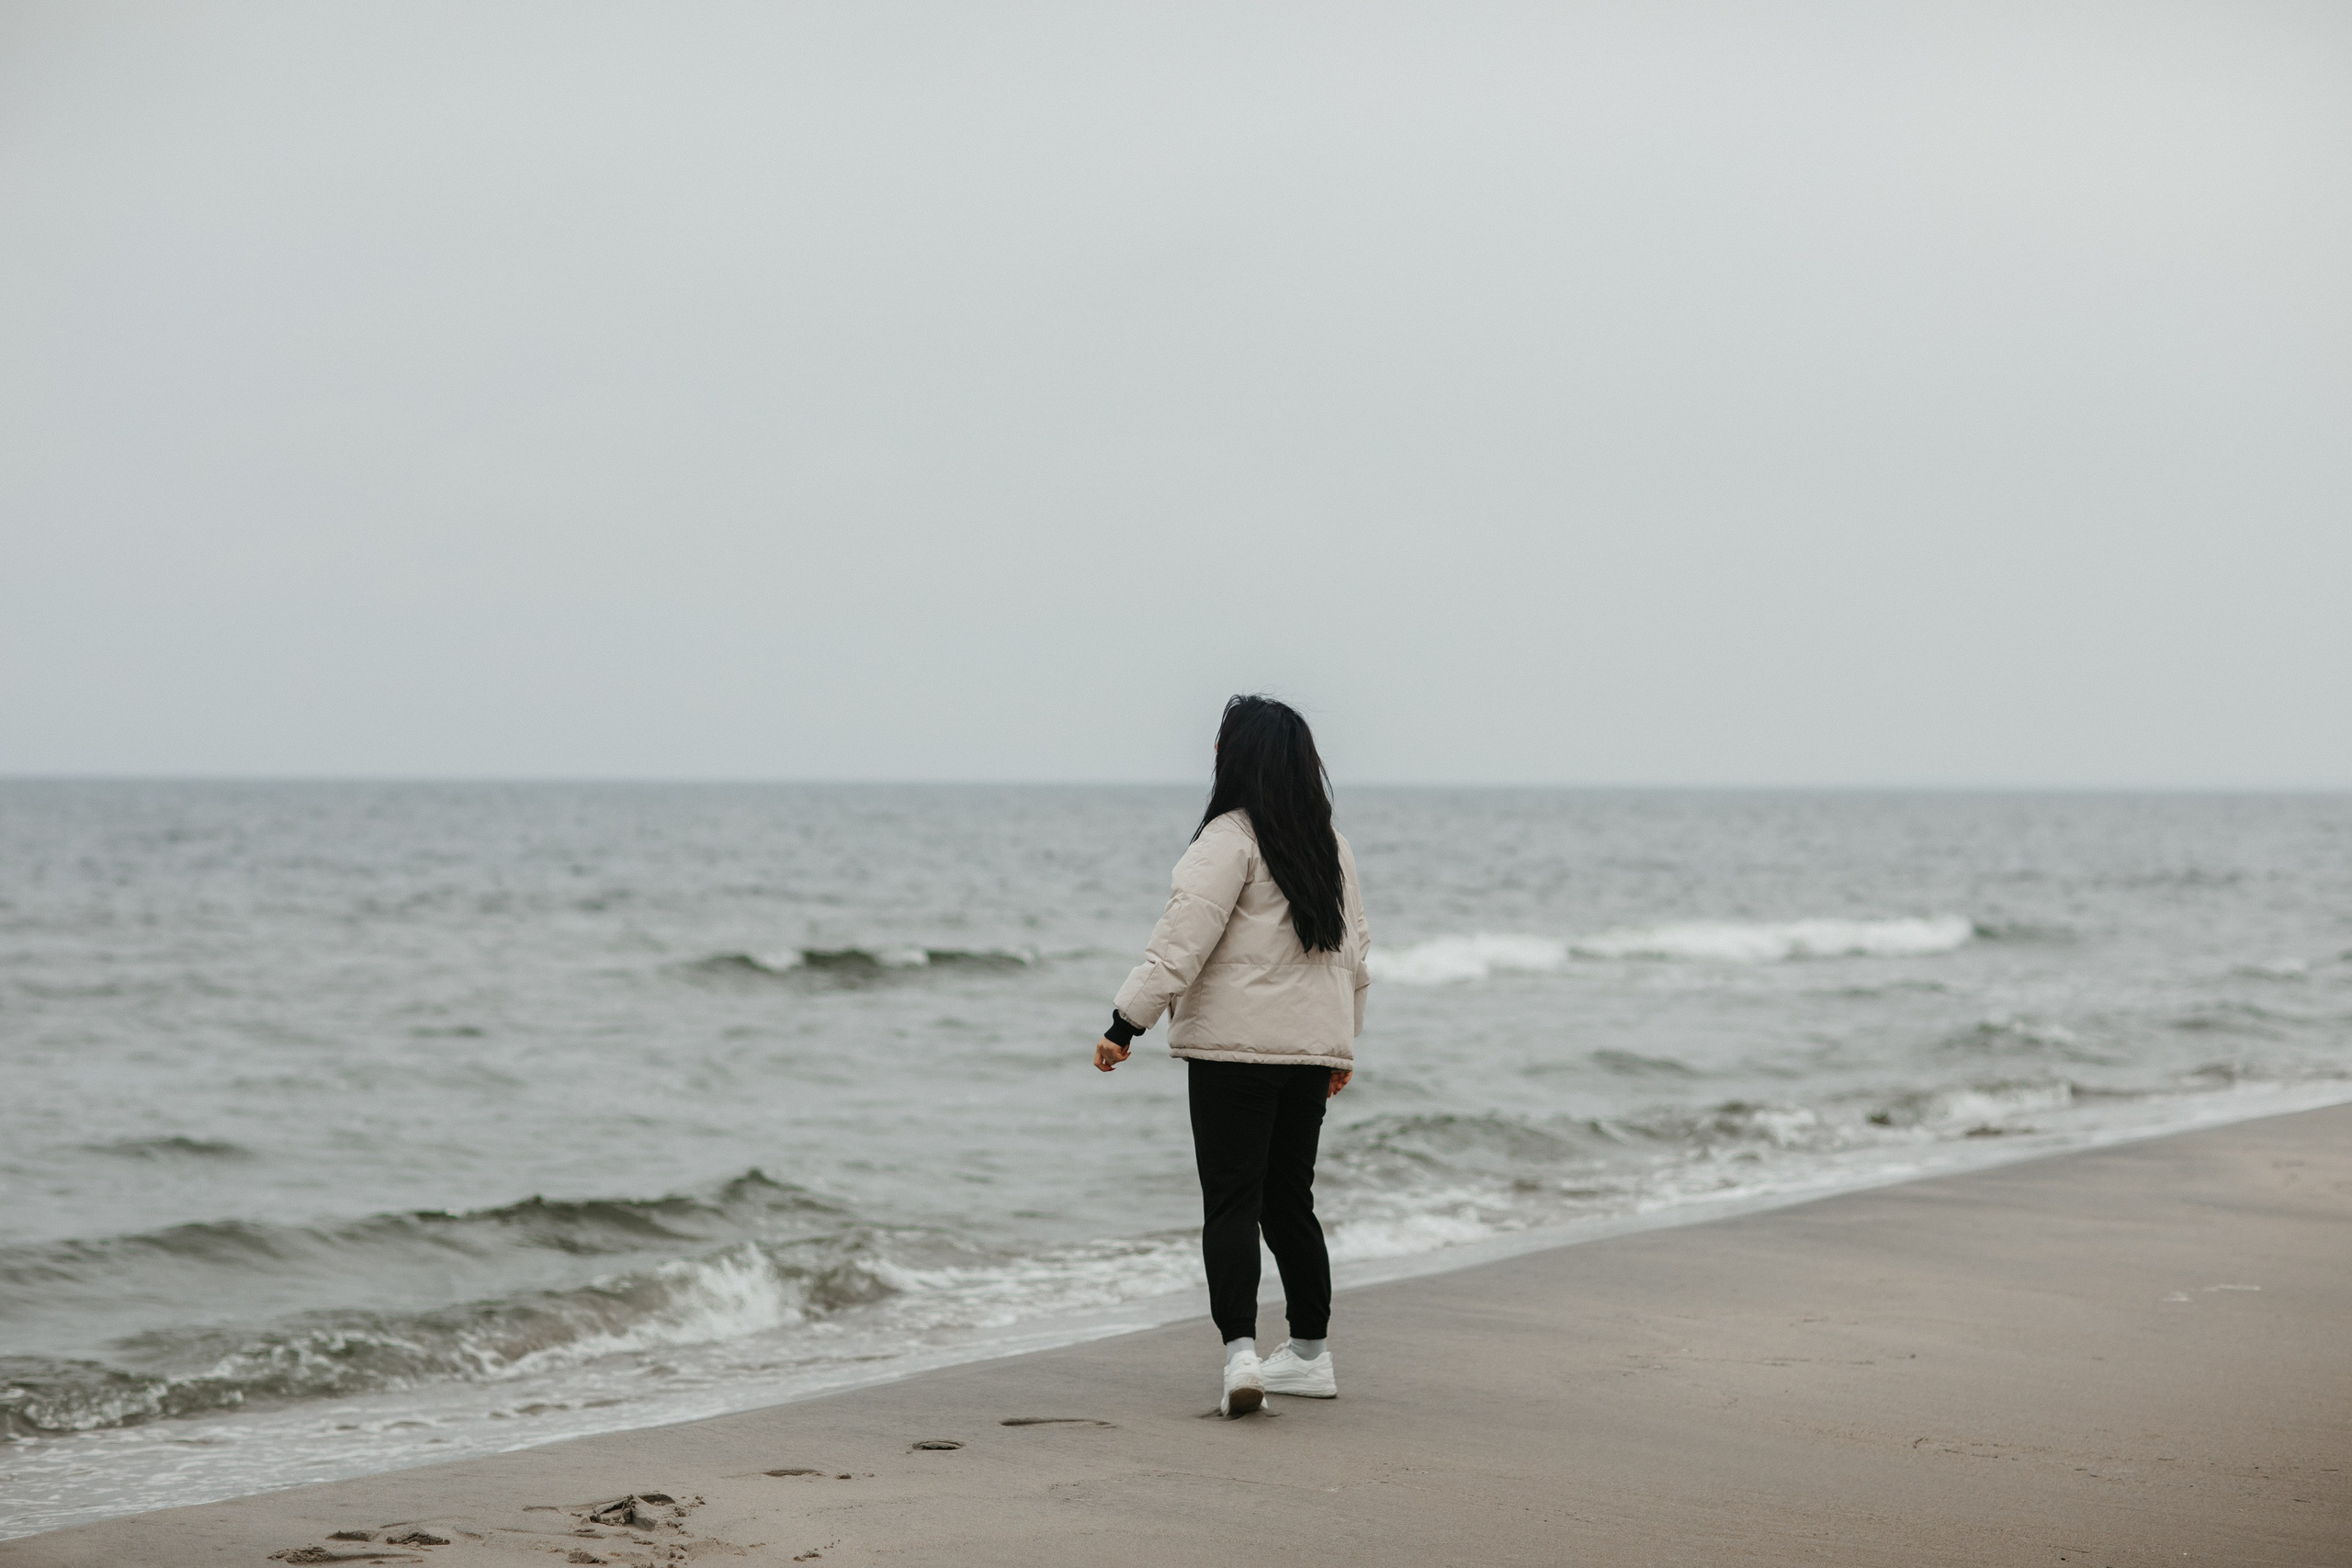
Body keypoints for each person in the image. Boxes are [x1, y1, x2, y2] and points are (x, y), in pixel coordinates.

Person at [1091, 694, 1372, 1416]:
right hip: (1309, 1053)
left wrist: (1126, 1021)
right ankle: (1310, 1352)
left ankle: (1241, 1355)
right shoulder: (1328, 843)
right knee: (1289, 1202)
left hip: (1233, 1054)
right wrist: (1344, 1044)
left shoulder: (1230, 837)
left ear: (1237, 756)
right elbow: (1355, 956)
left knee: (1232, 1201)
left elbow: (1180, 939)